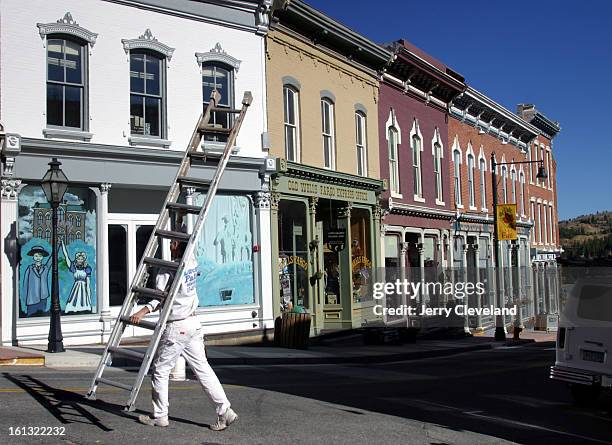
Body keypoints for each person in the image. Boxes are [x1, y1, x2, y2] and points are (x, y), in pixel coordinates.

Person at [129, 238, 237, 431]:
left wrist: (141, 311)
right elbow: (186, 240)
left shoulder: (167, 269)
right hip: (194, 323)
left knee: (160, 370)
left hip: (177, 325)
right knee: (203, 369)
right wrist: (178, 217)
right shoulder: (192, 262)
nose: (169, 245)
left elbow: (159, 298)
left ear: (178, 247)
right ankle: (224, 411)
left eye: (172, 243)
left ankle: (160, 416)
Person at [61, 240, 93, 313]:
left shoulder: (87, 268)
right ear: (76, 259)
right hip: (76, 287)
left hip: (84, 287)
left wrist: (89, 298)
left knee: (84, 303)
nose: (80, 260)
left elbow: (88, 284)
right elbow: (66, 256)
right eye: (79, 259)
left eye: (81, 259)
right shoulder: (73, 267)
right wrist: (62, 245)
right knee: (73, 302)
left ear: (84, 260)